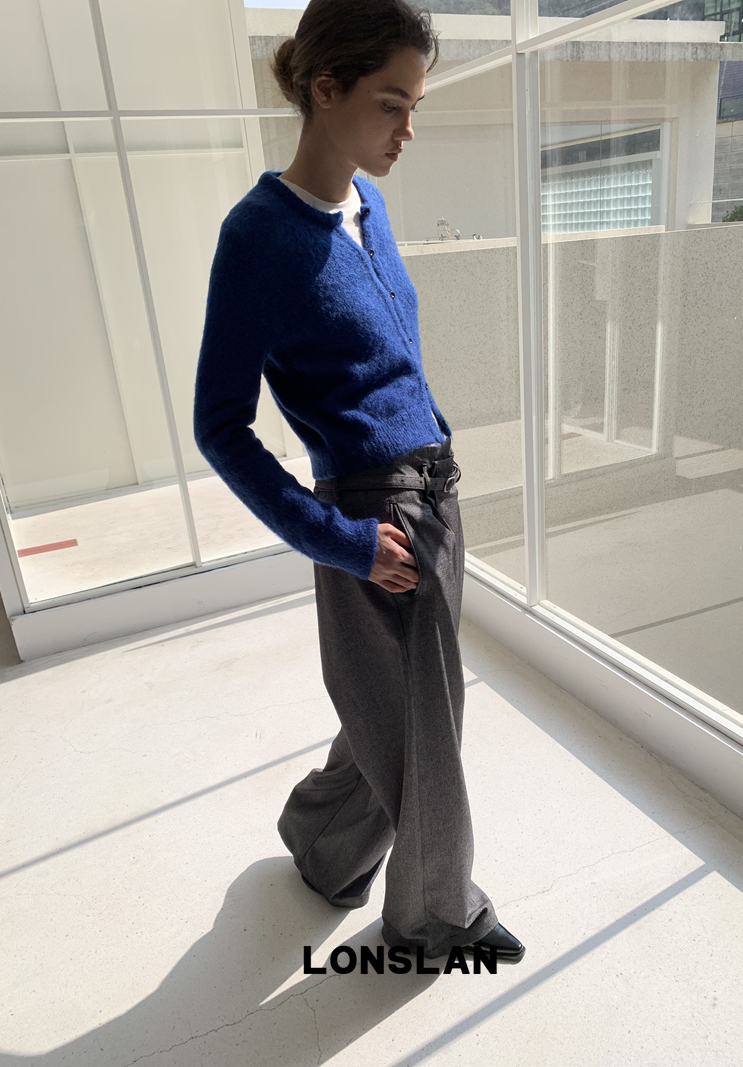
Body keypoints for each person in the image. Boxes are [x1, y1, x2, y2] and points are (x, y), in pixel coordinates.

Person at [193, 0, 524, 964]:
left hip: (434, 493)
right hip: (376, 518)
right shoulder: (259, 236)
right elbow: (221, 425)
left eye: (415, 105)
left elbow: (392, 364)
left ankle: (323, 840)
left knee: (405, 710)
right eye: (392, 103)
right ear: (325, 88)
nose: (407, 130)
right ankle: (435, 920)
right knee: (428, 731)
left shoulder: (367, 208)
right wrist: (338, 540)